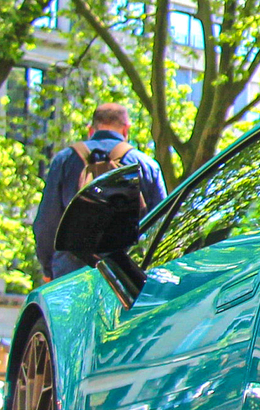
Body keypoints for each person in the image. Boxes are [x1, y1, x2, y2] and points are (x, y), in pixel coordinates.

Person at [33, 104, 166, 279]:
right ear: (126, 130)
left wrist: (48, 268)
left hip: (71, 273)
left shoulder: (64, 161)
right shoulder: (147, 165)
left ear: (90, 130)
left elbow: (46, 222)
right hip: (126, 276)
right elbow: (163, 225)